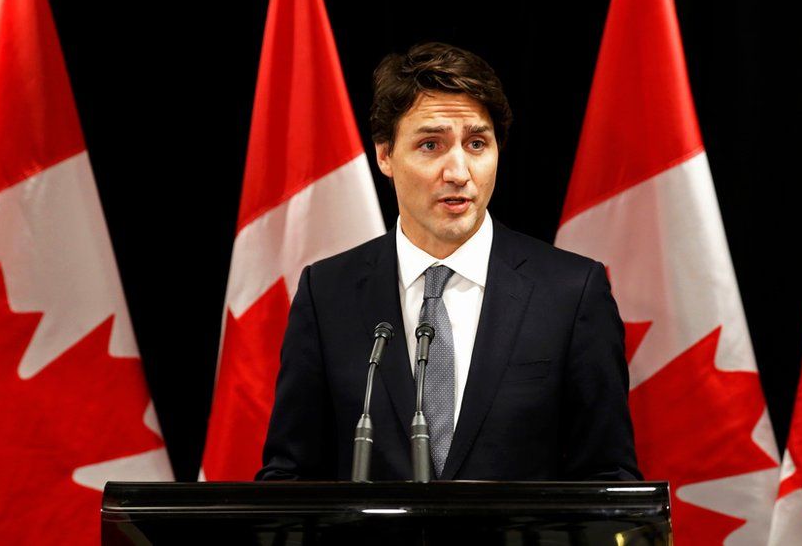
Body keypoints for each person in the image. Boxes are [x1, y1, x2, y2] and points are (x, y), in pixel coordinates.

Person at [257, 42, 640, 481]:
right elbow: (290, 477)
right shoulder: (327, 294)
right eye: (431, 145)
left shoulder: (571, 292)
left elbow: (609, 482)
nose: (459, 172)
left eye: (477, 143)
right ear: (385, 154)